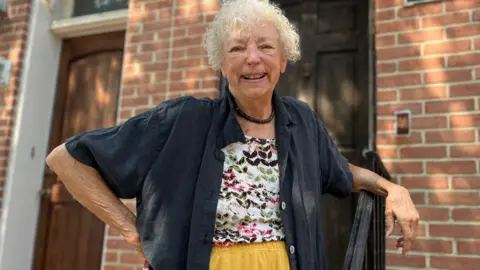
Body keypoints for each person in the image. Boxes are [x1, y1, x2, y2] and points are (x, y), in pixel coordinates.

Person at [45, 0, 419, 269]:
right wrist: (131, 231)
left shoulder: (301, 121)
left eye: (265, 47)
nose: (252, 58)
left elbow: (339, 170)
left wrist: (393, 189)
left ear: (283, 60)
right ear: (222, 64)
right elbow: (66, 160)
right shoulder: (182, 119)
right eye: (237, 48)